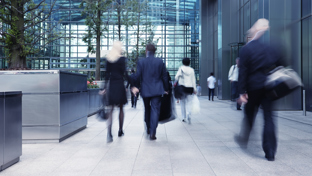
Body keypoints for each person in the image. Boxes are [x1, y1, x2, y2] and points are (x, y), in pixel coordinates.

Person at [235, 18, 284, 161]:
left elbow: (243, 72)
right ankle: (270, 152)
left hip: (253, 87)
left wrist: (242, 92)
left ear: (254, 31)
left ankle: (244, 137)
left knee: (250, 113)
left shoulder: (246, 49)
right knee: (269, 118)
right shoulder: (271, 48)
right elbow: (281, 65)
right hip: (269, 87)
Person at [131, 43, 169, 140]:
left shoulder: (141, 62)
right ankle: (153, 132)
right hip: (157, 90)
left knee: (147, 109)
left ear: (146, 50)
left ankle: (148, 128)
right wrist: (166, 89)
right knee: (155, 110)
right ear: (155, 51)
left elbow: (138, 76)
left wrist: (135, 86)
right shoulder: (160, 62)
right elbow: (165, 77)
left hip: (146, 89)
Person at [99, 41, 128, 143]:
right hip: (120, 84)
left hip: (111, 85)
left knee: (111, 110)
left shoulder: (109, 58)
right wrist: (130, 84)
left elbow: (106, 75)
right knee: (121, 108)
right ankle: (120, 130)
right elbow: (125, 73)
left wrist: (103, 88)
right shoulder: (122, 59)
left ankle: (109, 133)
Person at [175, 58, 196, 123]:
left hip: (182, 88)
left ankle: (183, 117)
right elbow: (193, 80)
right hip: (189, 88)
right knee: (189, 102)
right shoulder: (192, 70)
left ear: (183, 62)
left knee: (182, 103)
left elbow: (176, 77)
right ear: (189, 63)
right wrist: (194, 89)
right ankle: (189, 114)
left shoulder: (181, 69)